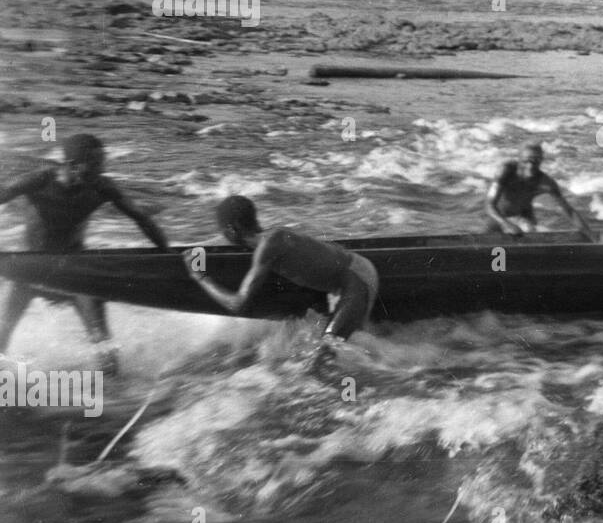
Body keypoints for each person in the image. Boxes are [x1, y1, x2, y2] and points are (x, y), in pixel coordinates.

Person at [0, 134, 169, 362]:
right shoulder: (39, 180)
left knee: (102, 340)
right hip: (32, 268)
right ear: (72, 166)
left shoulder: (102, 187)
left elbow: (140, 217)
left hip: (75, 269)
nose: (102, 170)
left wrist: (167, 255)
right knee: (4, 333)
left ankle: (114, 393)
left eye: (103, 163)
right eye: (96, 165)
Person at [184, 195, 378, 346]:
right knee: (330, 345)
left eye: (223, 233)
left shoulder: (270, 245)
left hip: (356, 278)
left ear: (232, 230)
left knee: (327, 350)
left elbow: (238, 304)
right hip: (350, 278)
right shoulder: (272, 239)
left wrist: (200, 277)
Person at [485, 143, 592, 239]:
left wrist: (591, 236)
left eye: (535, 161)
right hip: (497, 216)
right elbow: (489, 205)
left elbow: (570, 212)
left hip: (522, 217)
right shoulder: (505, 171)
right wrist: (506, 224)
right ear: (519, 160)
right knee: (489, 239)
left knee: (527, 230)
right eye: (526, 161)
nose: (530, 166)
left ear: (541, 161)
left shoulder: (546, 183)